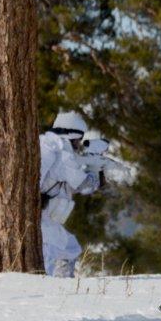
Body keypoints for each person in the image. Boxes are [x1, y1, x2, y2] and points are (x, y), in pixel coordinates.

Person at [39, 111, 103, 277]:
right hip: (44, 221)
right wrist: (96, 169)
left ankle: (64, 287)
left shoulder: (46, 146)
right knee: (45, 264)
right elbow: (85, 185)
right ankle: (56, 291)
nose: (79, 144)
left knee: (71, 248)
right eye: (78, 140)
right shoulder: (64, 155)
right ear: (72, 136)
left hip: (44, 218)